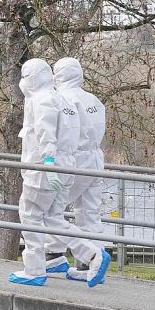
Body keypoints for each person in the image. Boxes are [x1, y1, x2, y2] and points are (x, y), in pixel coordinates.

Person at [8, 58, 110, 288]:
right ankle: (93, 255)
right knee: (60, 217)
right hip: (76, 163)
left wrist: (50, 164)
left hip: (46, 167)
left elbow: (46, 138)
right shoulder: (72, 100)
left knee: (31, 215)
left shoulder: (45, 100)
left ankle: (35, 268)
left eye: (25, 77)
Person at [43, 57, 107, 282]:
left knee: (51, 209)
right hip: (95, 160)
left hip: (73, 160)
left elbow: (60, 133)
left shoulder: (60, 99)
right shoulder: (93, 100)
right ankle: (92, 263)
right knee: (89, 213)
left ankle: (54, 255)